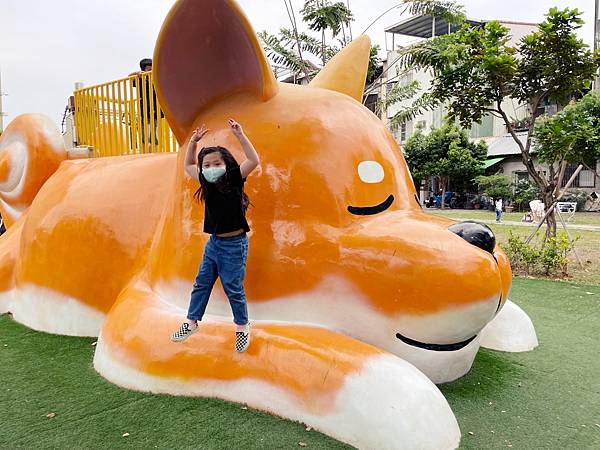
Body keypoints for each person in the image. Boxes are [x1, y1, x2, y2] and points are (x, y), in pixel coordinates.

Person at [171, 119, 260, 353]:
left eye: (216, 163)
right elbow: (188, 164)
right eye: (207, 165)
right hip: (214, 244)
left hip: (235, 244)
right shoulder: (205, 182)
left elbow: (253, 160)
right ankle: (191, 322)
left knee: (232, 287)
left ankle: (242, 327)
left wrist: (240, 135)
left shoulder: (234, 178)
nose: (211, 167)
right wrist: (193, 142)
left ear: (225, 163)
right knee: (201, 284)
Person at [129, 58, 163, 146]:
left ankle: (155, 146)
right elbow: (129, 77)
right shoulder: (141, 80)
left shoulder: (156, 80)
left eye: (152, 69)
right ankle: (146, 147)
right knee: (146, 132)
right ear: (144, 70)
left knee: (155, 131)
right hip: (145, 111)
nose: (151, 71)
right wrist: (136, 73)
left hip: (156, 111)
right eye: (149, 69)